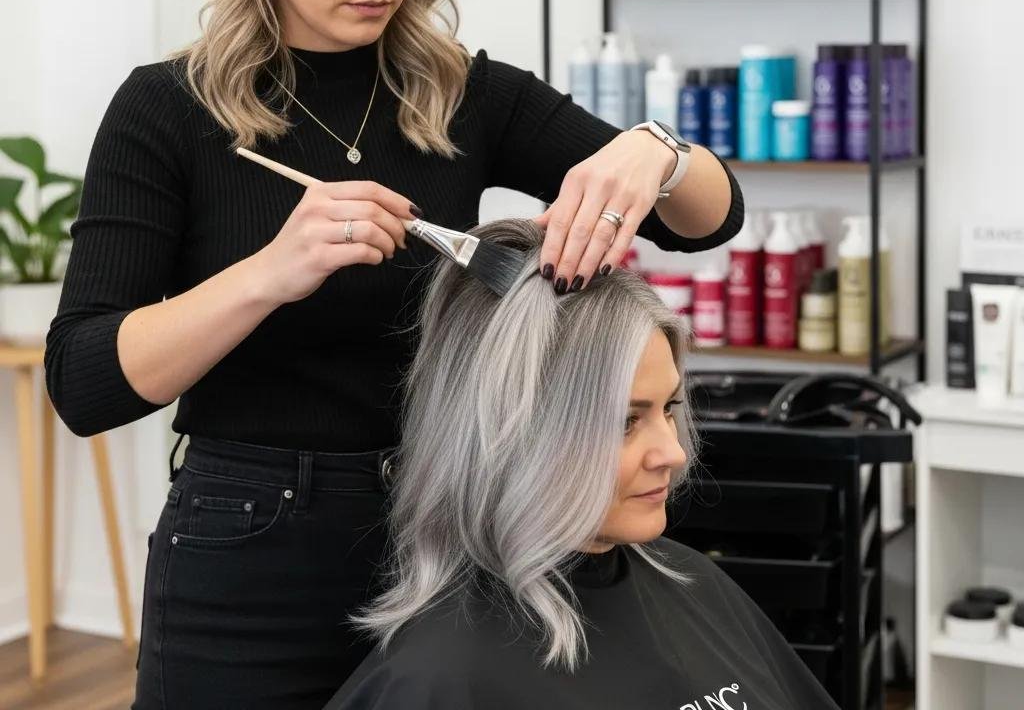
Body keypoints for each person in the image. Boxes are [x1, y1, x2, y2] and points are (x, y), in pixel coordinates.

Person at [43, 0, 743, 709]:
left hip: (450, 540)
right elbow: (85, 382)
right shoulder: (167, 112)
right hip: (247, 553)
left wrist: (656, 152)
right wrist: (270, 274)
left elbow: (710, 217)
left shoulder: (463, 95)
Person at [325, 219, 839, 710]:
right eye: (625, 422)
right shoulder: (441, 679)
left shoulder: (694, 583)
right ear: (517, 436)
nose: (674, 453)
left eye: (669, 408)